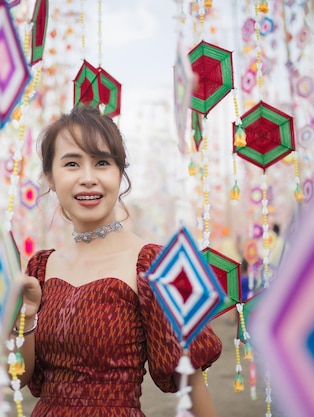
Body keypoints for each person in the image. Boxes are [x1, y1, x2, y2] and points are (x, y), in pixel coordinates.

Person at [15, 105, 223, 417]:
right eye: (72, 163)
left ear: (119, 173)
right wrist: (26, 318)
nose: (88, 178)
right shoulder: (40, 268)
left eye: (102, 163)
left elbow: (190, 383)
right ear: (51, 177)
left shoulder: (154, 265)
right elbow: (17, 377)